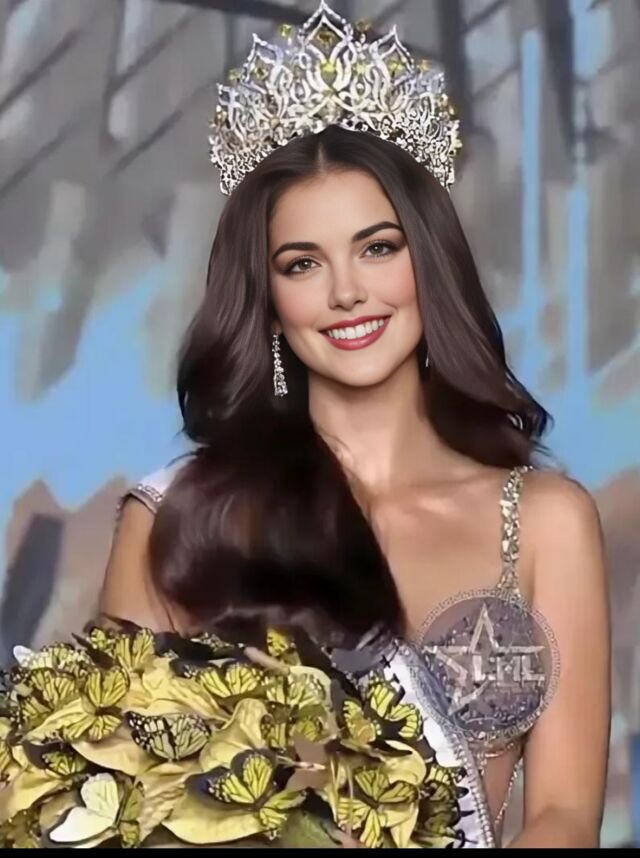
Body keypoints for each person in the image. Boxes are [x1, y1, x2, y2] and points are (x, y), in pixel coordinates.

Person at [99, 3, 610, 848]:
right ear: (269, 301)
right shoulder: (178, 518)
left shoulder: (546, 520)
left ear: (428, 263)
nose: (346, 293)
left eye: (378, 248)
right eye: (303, 264)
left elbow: (562, 812)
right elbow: (112, 801)